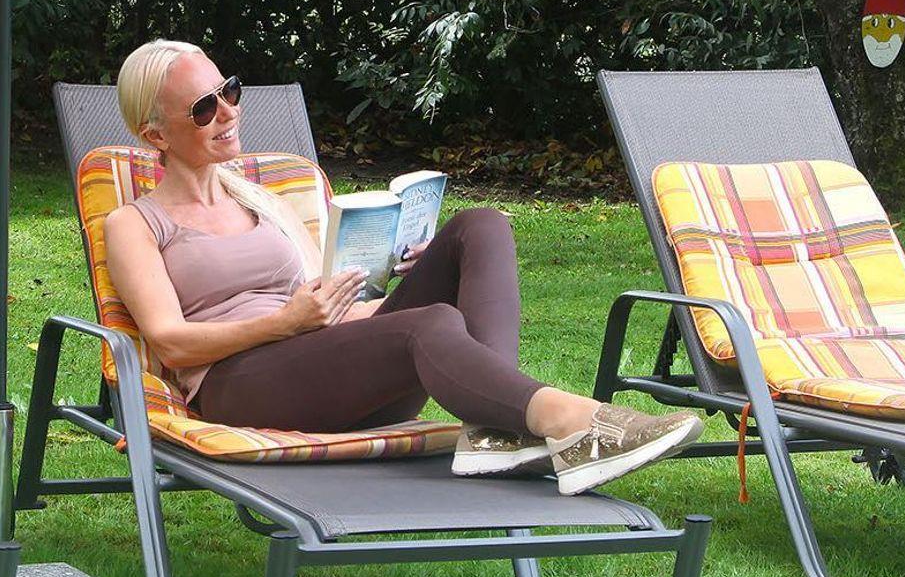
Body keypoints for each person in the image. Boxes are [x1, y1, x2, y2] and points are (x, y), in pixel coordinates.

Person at [102, 39, 702, 494]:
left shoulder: (261, 200)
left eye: (229, 91)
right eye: (203, 108)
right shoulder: (136, 223)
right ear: (155, 134)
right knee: (431, 322)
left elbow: (327, 312)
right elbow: (170, 342)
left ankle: (499, 430)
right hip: (240, 387)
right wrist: (285, 323)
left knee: (480, 226)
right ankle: (570, 420)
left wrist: (407, 278)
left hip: (323, 366)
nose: (227, 113)